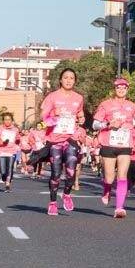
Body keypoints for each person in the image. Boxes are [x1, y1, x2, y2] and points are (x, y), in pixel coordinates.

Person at [40, 68, 86, 216]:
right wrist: (54, 114)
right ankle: (53, 202)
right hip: (55, 140)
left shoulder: (78, 98)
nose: (68, 80)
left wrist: (81, 118)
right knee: (56, 173)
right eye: (65, 77)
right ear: (60, 80)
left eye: (71, 78)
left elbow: (80, 114)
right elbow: (43, 117)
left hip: (70, 138)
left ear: (75, 81)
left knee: (72, 170)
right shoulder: (52, 97)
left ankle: (66, 194)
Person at [92, 77, 135, 219]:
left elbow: (132, 120)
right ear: (115, 89)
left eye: (123, 88)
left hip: (125, 144)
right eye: (118, 87)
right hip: (108, 144)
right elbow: (95, 125)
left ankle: (119, 208)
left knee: (123, 176)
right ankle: (106, 189)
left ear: (127, 89)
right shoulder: (106, 104)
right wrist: (107, 125)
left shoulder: (132, 105)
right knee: (109, 178)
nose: (121, 90)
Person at [0, 112, 21, 193]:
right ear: (3, 121)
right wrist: (2, 142)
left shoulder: (15, 129)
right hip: (2, 150)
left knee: (10, 168)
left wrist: (18, 140)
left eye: (9, 120)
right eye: (5, 120)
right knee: (3, 170)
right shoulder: (0, 128)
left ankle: (8, 185)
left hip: (11, 150)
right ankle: (4, 178)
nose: (7, 121)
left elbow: (18, 138)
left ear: (12, 120)